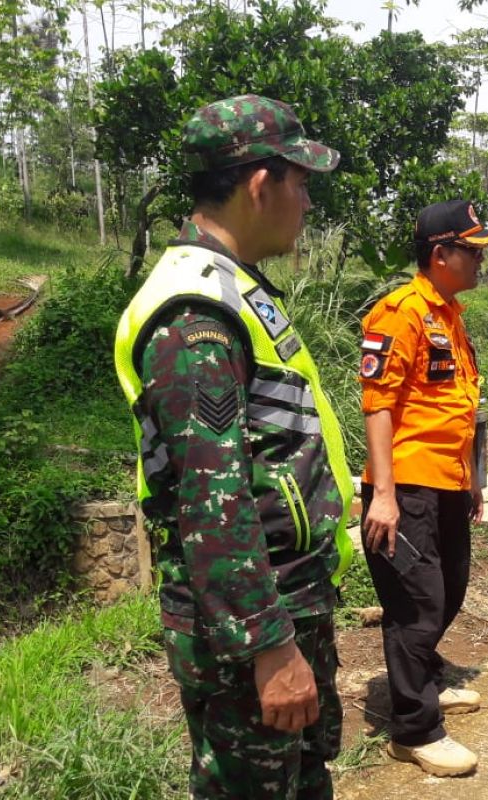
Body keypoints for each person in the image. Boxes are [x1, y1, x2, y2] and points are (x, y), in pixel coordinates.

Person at [113, 94, 355, 799]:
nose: (308, 201)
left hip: (287, 602)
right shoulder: (197, 314)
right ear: (260, 184)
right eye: (302, 182)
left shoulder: (237, 288)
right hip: (251, 629)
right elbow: (212, 504)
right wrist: (269, 646)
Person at [358, 199, 488, 777]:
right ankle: (413, 729)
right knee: (417, 606)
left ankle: (421, 680)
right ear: (440, 255)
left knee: (451, 589)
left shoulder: (449, 313)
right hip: (408, 485)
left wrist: (471, 480)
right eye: (472, 251)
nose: (480, 262)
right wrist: (386, 495)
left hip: (447, 482)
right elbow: (379, 406)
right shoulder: (399, 313)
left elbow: (458, 405)